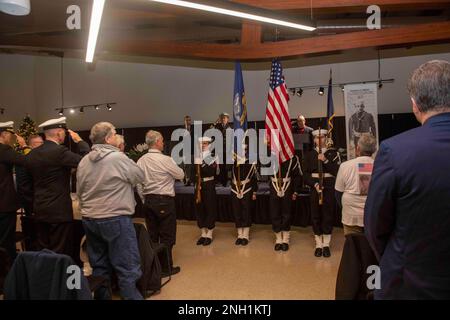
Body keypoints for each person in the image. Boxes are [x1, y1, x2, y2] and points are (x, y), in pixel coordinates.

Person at [365, 59, 450, 299]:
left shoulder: (395, 150)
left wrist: (397, 256)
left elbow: (374, 226)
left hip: (409, 283)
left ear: (414, 105)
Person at [77, 122, 145, 300]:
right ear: (108, 139)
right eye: (115, 134)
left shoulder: (84, 161)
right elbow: (139, 176)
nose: (116, 136)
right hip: (115, 218)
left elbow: (80, 191)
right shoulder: (117, 158)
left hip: (90, 219)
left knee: (99, 265)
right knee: (127, 267)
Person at [27, 117, 90, 259]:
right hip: (58, 211)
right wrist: (80, 142)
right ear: (59, 133)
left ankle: (44, 279)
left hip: (40, 208)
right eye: (64, 133)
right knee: (61, 251)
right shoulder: (59, 152)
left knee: (43, 250)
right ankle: (60, 280)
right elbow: (86, 161)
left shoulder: (32, 154)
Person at [137, 130, 184, 276]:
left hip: (148, 201)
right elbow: (181, 175)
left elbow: (138, 184)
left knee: (152, 235)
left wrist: (144, 199)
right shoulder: (166, 160)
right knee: (167, 235)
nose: (163, 143)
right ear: (157, 142)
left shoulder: (141, 160)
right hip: (164, 201)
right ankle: (166, 268)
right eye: (162, 140)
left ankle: (153, 267)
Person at [303, 129, 341, 257]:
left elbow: (337, 171)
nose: (319, 140)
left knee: (327, 213)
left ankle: (326, 244)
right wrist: (314, 184)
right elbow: (306, 174)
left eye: (322, 137)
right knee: (315, 214)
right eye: (316, 138)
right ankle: (318, 243)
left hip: (329, 187)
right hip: (315, 186)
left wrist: (325, 160)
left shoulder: (333, 154)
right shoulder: (309, 155)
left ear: (326, 138)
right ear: (313, 140)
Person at [335, 133, 377, 235]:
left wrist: (345, 208)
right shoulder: (381, 166)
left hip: (351, 216)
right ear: (374, 150)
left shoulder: (345, 166)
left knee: (353, 248)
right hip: (374, 216)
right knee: (373, 249)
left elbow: (338, 193)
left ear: (357, 148)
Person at [0, 121, 27, 260]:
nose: (12, 138)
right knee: (6, 241)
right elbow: (26, 161)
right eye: (10, 134)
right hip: (4, 204)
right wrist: (24, 146)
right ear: (4, 134)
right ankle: (8, 273)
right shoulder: (4, 149)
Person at [269, 154, 302, 252]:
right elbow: (264, 170)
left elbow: (297, 175)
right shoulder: (269, 156)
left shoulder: (293, 158)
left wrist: (295, 190)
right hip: (274, 186)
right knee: (275, 213)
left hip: (287, 187)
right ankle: (278, 239)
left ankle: (285, 240)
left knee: (286, 213)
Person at [230, 144, 257, 246]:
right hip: (235, 188)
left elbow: (253, 178)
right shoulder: (233, 161)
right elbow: (227, 170)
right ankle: (239, 234)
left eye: (244, 150)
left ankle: (245, 235)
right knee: (237, 211)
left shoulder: (250, 161)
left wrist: (254, 191)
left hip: (246, 188)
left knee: (246, 210)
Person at [194, 137, 219, 246]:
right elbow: (192, 172)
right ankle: (203, 233)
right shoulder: (196, 156)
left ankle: (209, 233)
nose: (203, 145)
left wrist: (202, 163)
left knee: (210, 207)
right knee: (200, 208)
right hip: (198, 185)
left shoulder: (213, 156)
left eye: (205, 143)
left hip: (209, 184)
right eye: (201, 143)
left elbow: (212, 171)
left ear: (209, 144)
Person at [214, 112, 233, 186]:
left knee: (228, 166)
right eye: (222, 118)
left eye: (225, 118)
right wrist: (215, 123)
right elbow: (211, 129)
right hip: (220, 150)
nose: (223, 119)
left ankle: (228, 181)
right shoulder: (218, 126)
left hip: (227, 150)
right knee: (221, 166)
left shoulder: (230, 127)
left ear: (227, 119)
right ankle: (223, 181)